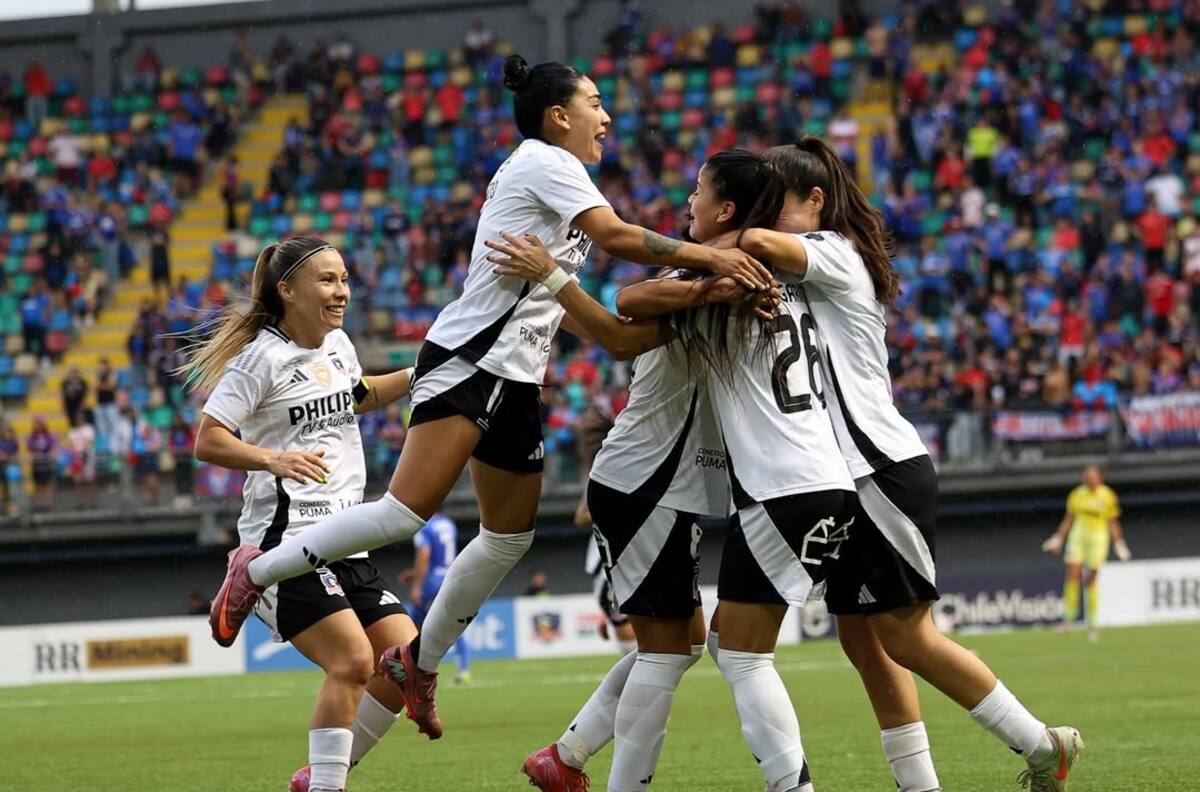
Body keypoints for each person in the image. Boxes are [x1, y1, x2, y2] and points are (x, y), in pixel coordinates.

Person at [207, 53, 769, 742]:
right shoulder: (545, 160)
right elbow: (618, 238)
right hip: (470, 360)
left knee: (508, 538)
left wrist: (693, 287)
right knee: (403, 513)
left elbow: (590, 314)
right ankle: (256, 570)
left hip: (516, 376)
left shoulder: (559, 175)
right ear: (558, 115)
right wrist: (713, 257)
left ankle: (418, 662)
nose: (607, 117)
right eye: (595, 103)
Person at [718, 137, 1083, 791]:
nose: (767, 215)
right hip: (845, 477)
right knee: (862, 641)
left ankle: (1041, 745)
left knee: (908, 636)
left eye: (777, 202)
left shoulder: (834, 251)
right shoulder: (811, 262)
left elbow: (764, 244)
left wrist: (713, 232)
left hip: (880, 468)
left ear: (815, 201)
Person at [491, 148, 851, 792]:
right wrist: (555, 282)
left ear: (727, 209)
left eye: (698, 190)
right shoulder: (732, 276)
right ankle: (582, 767)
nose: (688, 200)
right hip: (646, 480)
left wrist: (555, 280)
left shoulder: (732, 274)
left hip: (675, 482)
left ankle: (566, 758)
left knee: (683, 646)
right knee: (670, 651)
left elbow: (623, 313)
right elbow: (625, 313)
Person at [184, 236, 421, 792]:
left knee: (403, 662)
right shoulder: (259, 359)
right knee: (352, 661)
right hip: (285, 541)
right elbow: (208, 439)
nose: (342, 292)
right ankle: (327, 785)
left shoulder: (337, 343)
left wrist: (420, 376)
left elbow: (356, 396)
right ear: (288, 290)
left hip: (345, 538)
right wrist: (272, 458)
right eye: (327, 280)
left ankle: (322, 773)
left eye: (344, 279)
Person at [1042, 465, 1129, 642]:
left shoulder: (1107, 496)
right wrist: (1057, 538)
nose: (1088, 479)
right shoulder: (1077, 494)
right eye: (1086, 476)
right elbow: (1068, 519)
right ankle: (1069, 620)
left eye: (1092, 476)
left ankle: (1093, 625)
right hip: (1078, 537)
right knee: (1072, 576)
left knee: (1090, 580)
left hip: (1098, 540)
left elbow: (1113, 522)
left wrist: (1119, 543)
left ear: (1100, 478)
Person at [404, 513, 471, 684]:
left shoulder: (424, 528)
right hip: (448, 578)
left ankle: (417, 669)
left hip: (431, 584)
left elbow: (424, 556)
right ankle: (462, 669)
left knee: (417, 626)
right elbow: (442, 557)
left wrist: (416, 585)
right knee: (448, 623)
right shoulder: (448, 523)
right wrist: (414, 574)